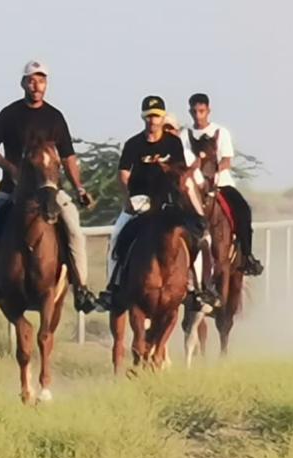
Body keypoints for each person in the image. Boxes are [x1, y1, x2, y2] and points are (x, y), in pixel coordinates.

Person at [0, 60, 98, 314]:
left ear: (46, 84)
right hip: (12, 190)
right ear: (23, 83)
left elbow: (68, 156)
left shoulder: (55, 117)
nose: (37, 86)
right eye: (32, 80)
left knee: (73, 226)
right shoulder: (9, 114)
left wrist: (79, 187)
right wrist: (11, 169)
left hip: (50, 190)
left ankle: (81, 288)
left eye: (41, 80)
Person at [98, 95, 216, 310]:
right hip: (140, 199)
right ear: (143, 117)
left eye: (157, 116)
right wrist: (127, 199)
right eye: (149, 116)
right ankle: (113, 287)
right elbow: (123, 174)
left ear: (162, 118)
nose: (153, 120)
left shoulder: (173, 143)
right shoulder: (133, 144)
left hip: (169, 201)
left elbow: (181, 172)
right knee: (117, 236)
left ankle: (198, 288)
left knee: (196, 236)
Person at [180, 92, 263, 275]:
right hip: (194, 186)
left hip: (221, 184)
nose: (197, 115)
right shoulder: (184, 135)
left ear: (208, 110)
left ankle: (247, 256)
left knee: (243, 211)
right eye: (194, 112)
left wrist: (213, 172)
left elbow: (227, 160)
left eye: (201, 111)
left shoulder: (221, 132)